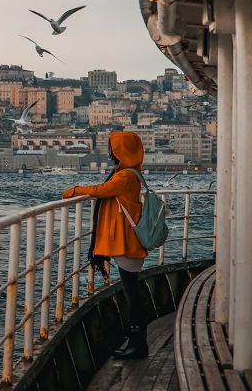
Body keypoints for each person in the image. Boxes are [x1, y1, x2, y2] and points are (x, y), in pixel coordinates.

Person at [61, 131, 149, 359]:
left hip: (128, 243)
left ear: (120, 150)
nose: (110, 151)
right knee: (132, 291)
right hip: (129, 241)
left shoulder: (125, 176)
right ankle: (136, 340)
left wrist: (75, 190)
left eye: (113, 147)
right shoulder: (132, 172)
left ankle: (139, 344)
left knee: (132, 294)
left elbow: (102, 190)